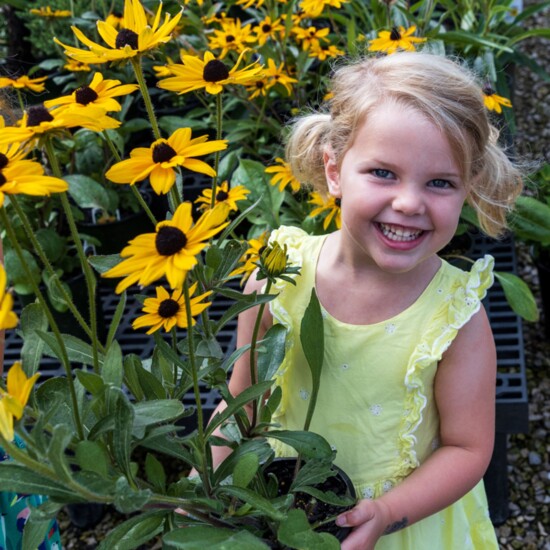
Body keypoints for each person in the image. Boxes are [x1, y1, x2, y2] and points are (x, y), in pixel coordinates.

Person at [208, 51, 524, 549]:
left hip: (405, 521)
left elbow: (467, 447)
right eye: (382, 173)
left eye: (440, 182)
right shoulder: (278, 280)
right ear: (334, 170)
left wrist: (389, 511)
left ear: (468, 190)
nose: (408, 202)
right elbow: (241, 403)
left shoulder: (455, 315)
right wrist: (210, 492)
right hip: (286, 505)